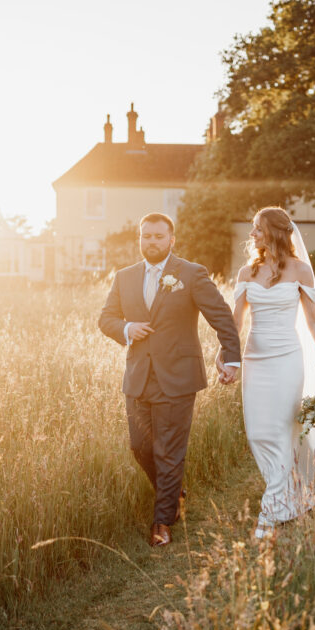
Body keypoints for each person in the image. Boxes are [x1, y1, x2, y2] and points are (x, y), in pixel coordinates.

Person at [217, 207, 315, 539]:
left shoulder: (300, 270)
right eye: (253, 228)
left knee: (284, 430)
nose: (252, 234)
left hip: (288, 359)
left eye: (258, 228)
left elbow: (313, 320)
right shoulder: (246, 273)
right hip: (256, 360)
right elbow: (236, 322)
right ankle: (290, 489)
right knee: (259, 433)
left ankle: (272, 513)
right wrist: (225, 356)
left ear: (275, 232)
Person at [99, 213, 241, 547]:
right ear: (140, 238)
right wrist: (126, 329)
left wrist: (231, 357)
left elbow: (220, 315)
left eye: (158, 237)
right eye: (146, 236)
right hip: (138, 377)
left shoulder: (191, 274)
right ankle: (174, 491)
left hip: (177, 377)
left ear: (171, 240)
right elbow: (106, 318)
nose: (151, 242)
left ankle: (162, 522)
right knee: (139, 447)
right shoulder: (124, 277)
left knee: (169, 453)